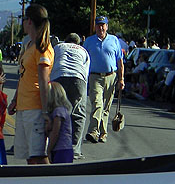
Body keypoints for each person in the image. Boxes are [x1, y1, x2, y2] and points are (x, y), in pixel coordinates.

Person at [8, 4, 54, 165]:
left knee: (38, 155)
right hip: (23, 106)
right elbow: (23, 76)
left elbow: (43, 81)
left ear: (29, 21)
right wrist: (15, 100)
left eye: (24, 19)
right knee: (29, 155)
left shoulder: (43, 48)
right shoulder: (29, 45)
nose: (23, 23)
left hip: (35, 108)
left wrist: (45, 111)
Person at [82, 15, 124, 144]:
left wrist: (121, 79)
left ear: (107, 26)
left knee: (106, 107)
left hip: (111, 76)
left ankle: (103, 133)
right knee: (97, 103)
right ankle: (93, 131)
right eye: (98, 25)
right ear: (95, 27)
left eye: (103, 25)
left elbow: (120, 60)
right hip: (95, 76)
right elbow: (83, 60)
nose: (101, 27)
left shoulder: (114, 40)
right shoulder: (89, 41)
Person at [49, 33, 90, 158]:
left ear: (65, 40)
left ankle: (52, 144)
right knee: (78, 114)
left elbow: (50, 63)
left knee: (56, 111)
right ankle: (75, 149)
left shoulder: (58, 47)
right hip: (78, 79)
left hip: (59, 76)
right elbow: (85, 72)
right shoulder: (84, 51)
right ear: (78, 43)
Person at [46, 82, 74, 164]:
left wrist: (48, 150)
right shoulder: (59, 110)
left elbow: (55, 132)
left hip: (62, 149)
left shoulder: (58, 111)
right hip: (60, 149)